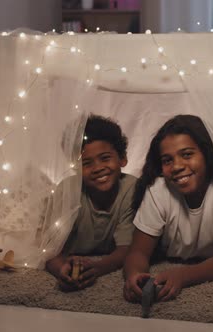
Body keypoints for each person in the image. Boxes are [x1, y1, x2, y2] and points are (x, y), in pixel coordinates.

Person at [123, 114, 213, 302]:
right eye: (167, 160)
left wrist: (183, 275)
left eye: (187, 154)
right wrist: (134, 275)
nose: (177, 166)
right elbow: (138, 251)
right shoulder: (158, 190)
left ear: (207, 154)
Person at [46, 114, 137, 291]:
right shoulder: (68, 191)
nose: (97, 168)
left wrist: (98, 267)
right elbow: (48, 251)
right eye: (86, 163)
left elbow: (127, 250)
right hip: (69, 251)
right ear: (75, 167)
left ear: (122, 158)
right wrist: (61, 269)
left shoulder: (132, 189)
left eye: (105, 158)